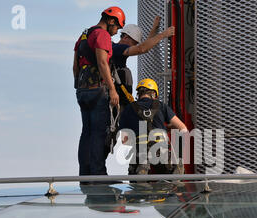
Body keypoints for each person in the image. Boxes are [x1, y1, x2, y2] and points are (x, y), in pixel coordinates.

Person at [73, 6, 125, 181]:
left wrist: (78, 87)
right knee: (98, 132)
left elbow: (75, 66)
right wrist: (112, 89)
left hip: (82, 90)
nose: (116, 32)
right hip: (97, 89)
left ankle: (85, 174)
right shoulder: (102, 35)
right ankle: (98, 174)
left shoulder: (84, 35)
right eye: (117, 27)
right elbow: (103, 63)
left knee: (86, 132)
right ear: (111, 21)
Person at [119, 78, 187, 175]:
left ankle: (142, 169)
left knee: (137, 178)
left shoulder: (128, 109)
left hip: (140, 152)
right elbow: (183, 129)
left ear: (139, 94)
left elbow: (124, 141)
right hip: (161, 151)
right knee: (173, 175)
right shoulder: (161, 106)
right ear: (153, 94)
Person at [112, 17, 175, 109]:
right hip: (119, 105)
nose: (134, 46)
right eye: (134, 43)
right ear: (125, 37)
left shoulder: (118, 50)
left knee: (142, 119)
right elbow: (142, 49)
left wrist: (154, 29)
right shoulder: (116, 49)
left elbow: (144, 46)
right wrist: (164, 34)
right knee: (142, 120)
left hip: (125, 104)